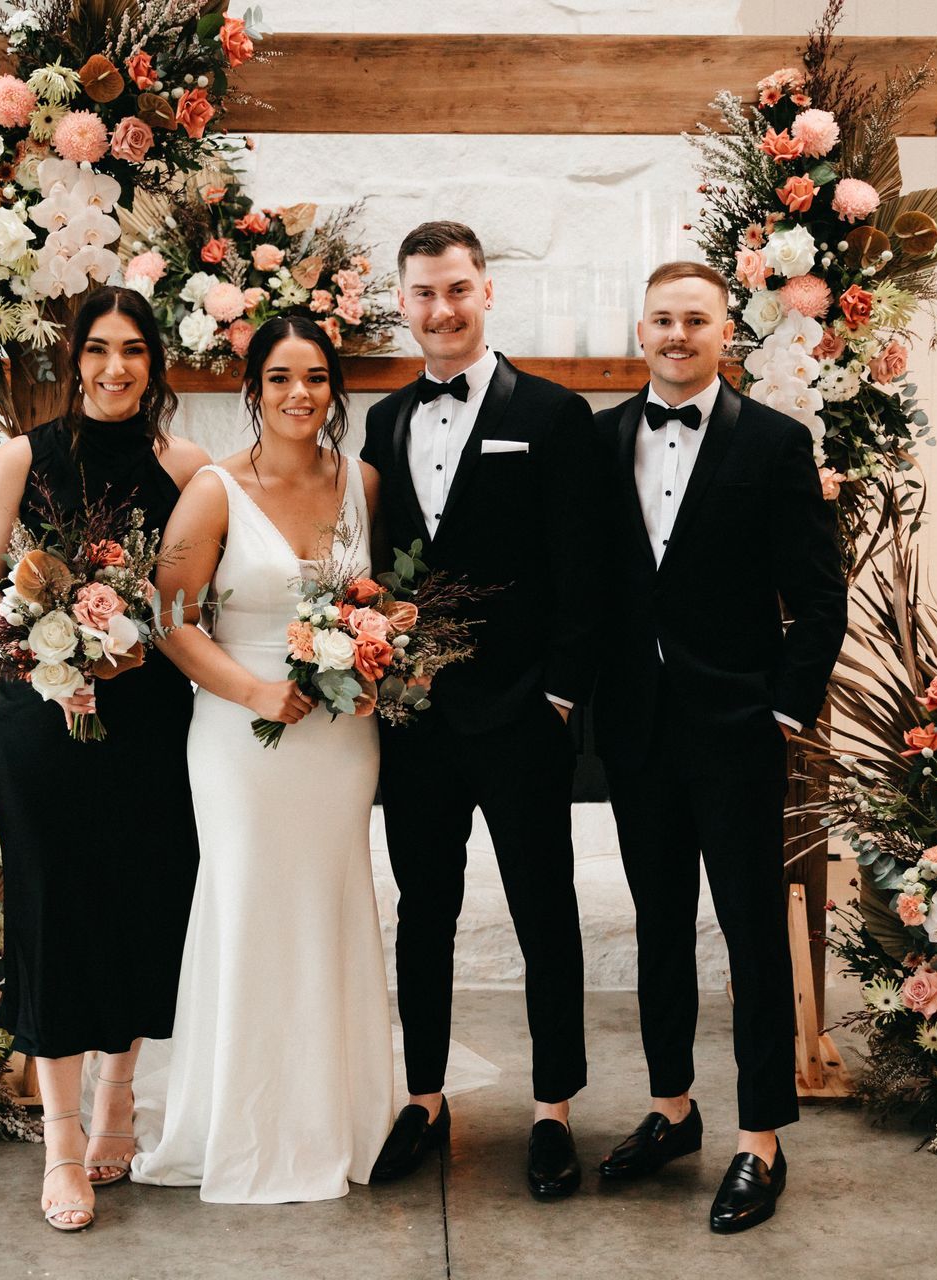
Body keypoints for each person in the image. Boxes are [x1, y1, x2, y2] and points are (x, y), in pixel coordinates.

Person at [588, 261, 846, 1234]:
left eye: (696, 319)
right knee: (658, 924)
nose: (678, 334)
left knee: (748, 934)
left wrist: (783, 710)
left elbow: (820, 598)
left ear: (723, 331)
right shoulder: (604, 438)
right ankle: (671, 1108)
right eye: (662, 319)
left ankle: (761, 1138)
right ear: (640, 330)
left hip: (740, 733)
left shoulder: (776, 443)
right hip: (640, 732)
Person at [129, 315, 395, 1203]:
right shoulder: (213, 491)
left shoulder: (361, 481)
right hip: (241, 734)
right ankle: (240, 1123)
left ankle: (335, 1116)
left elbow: (375, 599)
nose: (299, 394)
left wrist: (377, 653)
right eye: (280, 377)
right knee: (248, 902)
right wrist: (250, 691)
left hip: (341, 738)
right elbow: (171, 617)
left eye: (316, 377)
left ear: (333, 389)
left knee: (330, 901)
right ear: (253, 389)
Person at [0, 286, 210, 1232]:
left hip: (150, 723)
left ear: (156, 364)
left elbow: (195, 601)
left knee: (143, 902)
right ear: (74, 359)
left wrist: (153, 632)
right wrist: (37, 641)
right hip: (46, 725)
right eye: (99, 350)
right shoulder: (24, 457)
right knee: (55, 913)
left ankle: (120, 1098)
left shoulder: (187, 468)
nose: (116, 368)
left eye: (134, 351)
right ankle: (62, 1144)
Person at [359, 221, 600, 1199]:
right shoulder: (380, 423)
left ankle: (553, 1110)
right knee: (424, 912)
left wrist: (554, 695)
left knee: (548, 912)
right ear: (403, 302)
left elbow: (587, 571)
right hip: (415, 720)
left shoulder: (552, 413)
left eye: (456, 289)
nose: (440, 309)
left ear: (487, 292)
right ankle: (424, 1095)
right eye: (421, 293)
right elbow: (370, 565)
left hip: (520, 714)